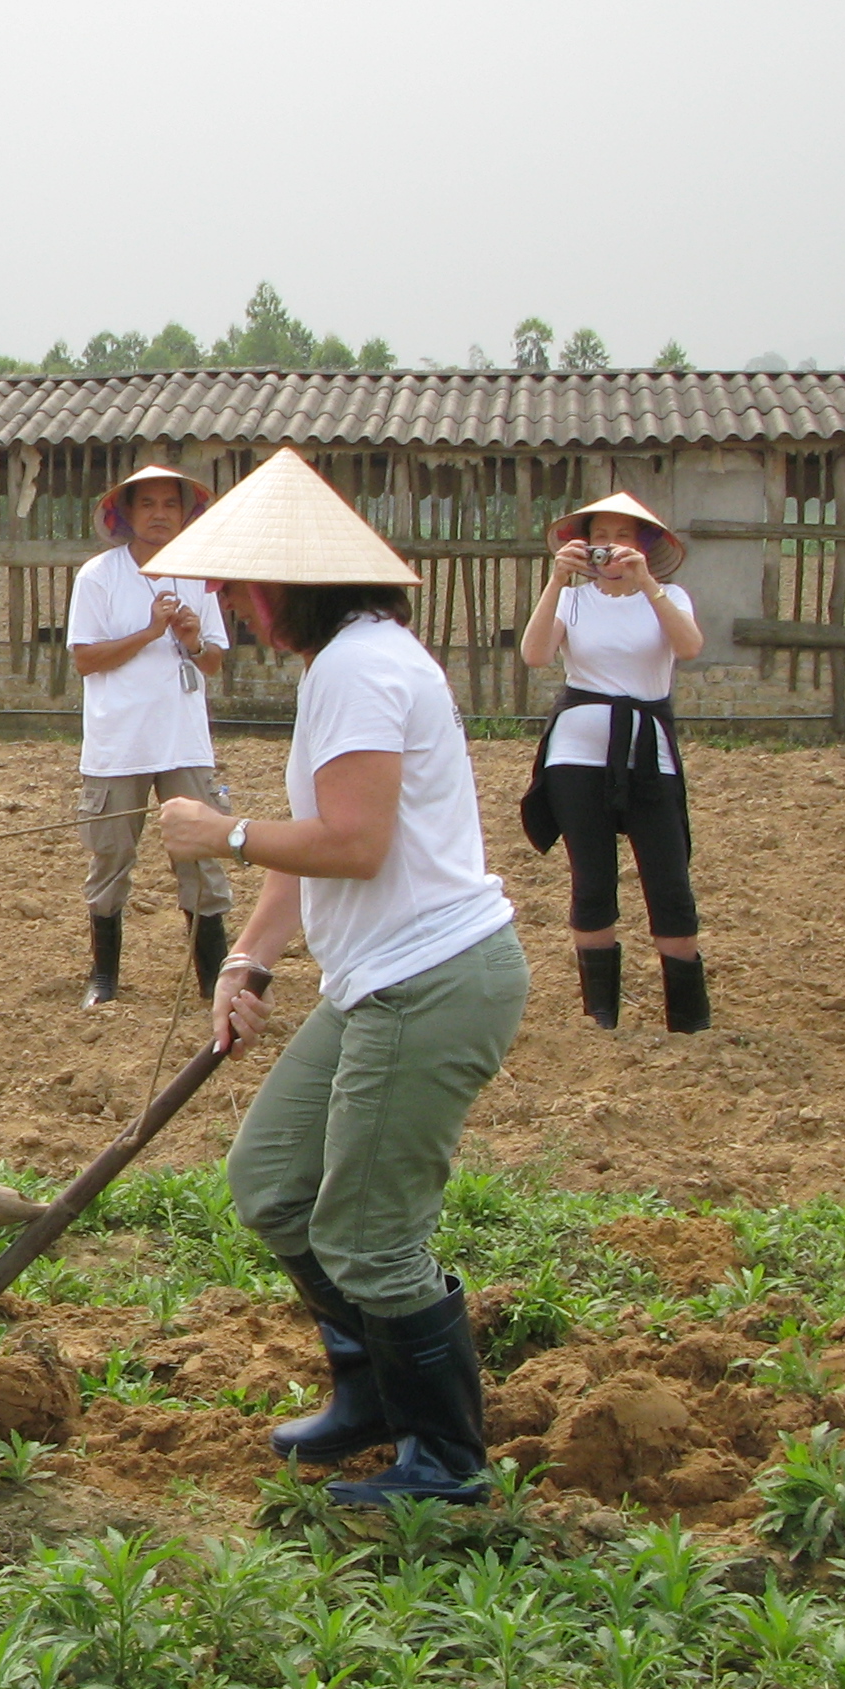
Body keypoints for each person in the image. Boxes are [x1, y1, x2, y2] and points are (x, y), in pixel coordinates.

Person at [149, 449, 528, 1508]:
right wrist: (249, 957)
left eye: (247, 585)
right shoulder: (344, 668)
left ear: (299, 587)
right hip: (379, 979)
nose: (235, 605)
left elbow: (354, 844)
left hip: (434, 978)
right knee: (274, 1181)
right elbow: (315, 845)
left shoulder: (365, 669)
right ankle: (369, 1396)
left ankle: (448, 1461)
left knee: (368, 1234)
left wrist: (218, 830)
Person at [514, 492, 709, 1032]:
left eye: (623, 537)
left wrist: (646, 585)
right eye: (600, 537)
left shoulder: (670, 596)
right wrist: (556, 582)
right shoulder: (573, 602)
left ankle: (688, 1019)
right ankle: (599, 1014)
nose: (610, 548)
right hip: (577, 754)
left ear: (645, 546)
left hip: (649, 750)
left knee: (668, 877)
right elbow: (535, 654)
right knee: (591, 878)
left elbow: (689, 647)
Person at [69, 463, 232, 1009]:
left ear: (186, 514)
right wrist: (149, 632)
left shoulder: (200, 576)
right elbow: (86, 659)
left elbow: (212, 664)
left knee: (200, 857)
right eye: (148, 505)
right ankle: (103, 976)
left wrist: (189, 637)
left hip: (183, 742)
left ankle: (211, 979)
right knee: (111, 856)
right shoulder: (98, 575)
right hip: (118, 745)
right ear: (126, 514)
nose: (160, 514)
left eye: (170, 505)